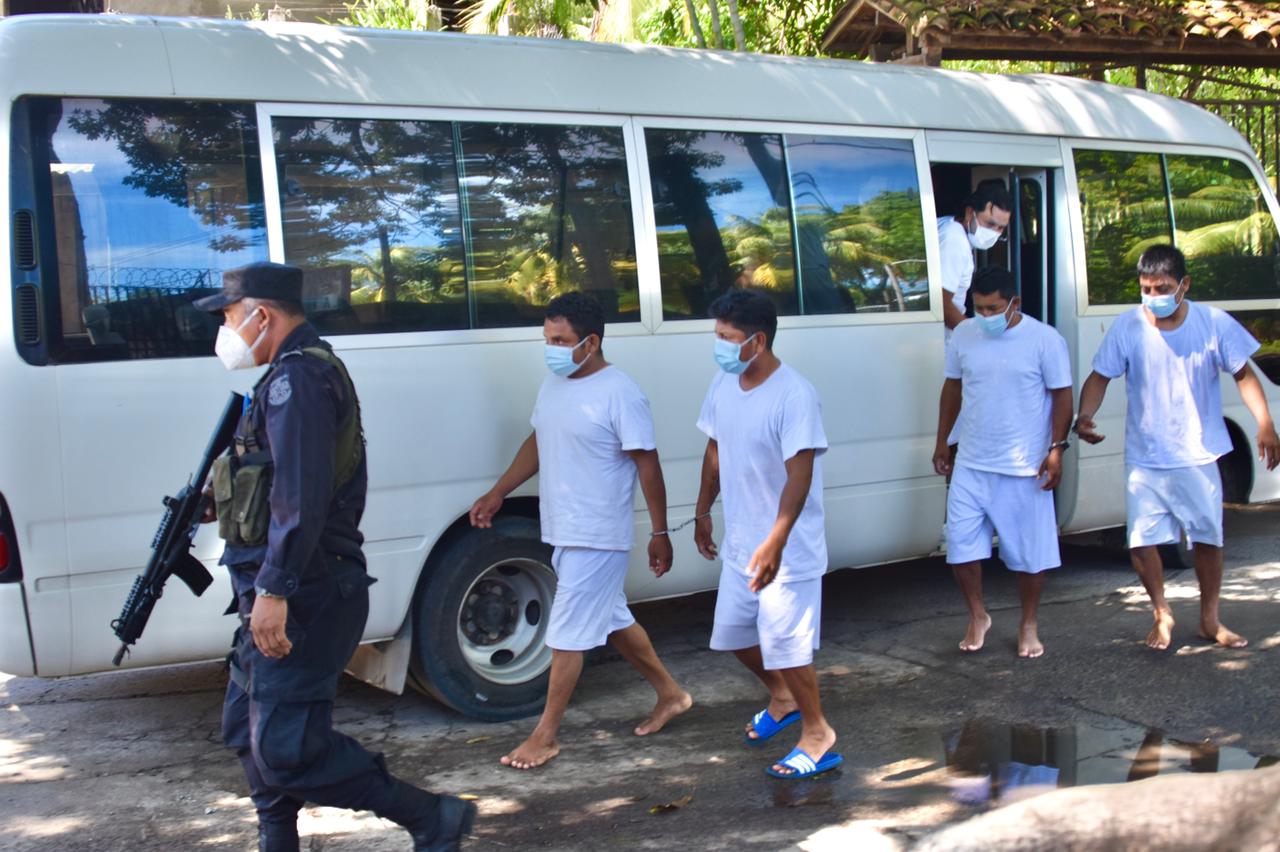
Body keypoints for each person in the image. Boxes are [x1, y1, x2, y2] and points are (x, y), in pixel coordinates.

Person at [195, 263, 475, 852]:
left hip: (306, 593)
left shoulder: (298, 381)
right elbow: (275, 483)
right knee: (248, 732)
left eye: (227, 315)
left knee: (286, 749)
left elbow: (301, 499)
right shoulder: (290, 374)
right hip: (281, 585)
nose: (223, 329)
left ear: (260, 315)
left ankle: (432, 816)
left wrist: (274, 590)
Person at [469, 292, 692, 771]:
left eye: (560, 340)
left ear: (590, 342)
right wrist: (498, 492)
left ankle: (545, 736)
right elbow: (539, 441)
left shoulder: (621, 392)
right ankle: (671, 695)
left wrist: (660, 532)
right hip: (563, 528)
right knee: (613, 620)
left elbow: (648, 465)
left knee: (566, 635)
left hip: (599, 534)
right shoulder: (555, 382)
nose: (550, 349)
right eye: (547, 339)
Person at [1075, 244, 1280, 650]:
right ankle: (1161, 611)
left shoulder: (1212, 323)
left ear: (1184, 284)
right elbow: (1099, 377)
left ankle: (1209, 619)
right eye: (1146, 289)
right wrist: (1084, 416)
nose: (1154, 297)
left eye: (1163, 288)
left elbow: (1244, 375)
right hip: (1145, 457)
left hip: (1198, 454)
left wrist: (1265, 425)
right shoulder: (1128, 327)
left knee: (1208, 539)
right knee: (1141, 541)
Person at [693, 289, 840, 780]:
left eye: (727, 337)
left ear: (757, 341)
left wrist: (777, 539)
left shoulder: (795, 395)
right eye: (717, 335)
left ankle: (817, 733)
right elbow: (714, 449)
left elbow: (800, 474)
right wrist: (702, 509)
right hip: (742, 543)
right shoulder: (723, 382)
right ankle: (781, 696)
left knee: (787, 646)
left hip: (787, 550)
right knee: (734, 635)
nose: (719, 345)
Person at [932, 267, 1073, 658]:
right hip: (972, 462)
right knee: (960, 548)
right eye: (979, 308)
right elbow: (952, 387)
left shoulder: (1045, 339)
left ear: (1015, 304)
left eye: (993, 308)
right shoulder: (964, 334)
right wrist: (942, 440)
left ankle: (1029, 624)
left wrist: (1057, 449)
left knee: (1030, 556)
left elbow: (1062, 395)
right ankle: (978, 615)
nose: (985, 316)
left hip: (1024, 466)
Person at [938, 180, 1013, 339]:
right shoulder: (955, 241)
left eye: (1000, 227)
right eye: (990, 224)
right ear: (969, 213)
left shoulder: (948, 225)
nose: (994, 232)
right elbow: (941, 304)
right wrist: (975, 339)